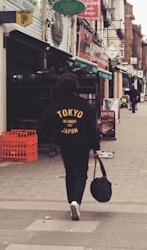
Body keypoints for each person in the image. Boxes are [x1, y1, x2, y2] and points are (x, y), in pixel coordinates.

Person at [40, 72, 101, 221]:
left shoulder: (55, 105)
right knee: (81, 173)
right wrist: (96, 147)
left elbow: (44, 124)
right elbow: (91, 128)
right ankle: (76, 201)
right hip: (82, 144)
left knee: (70, 172)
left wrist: (53, 137)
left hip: (65, 143)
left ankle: (70, 201)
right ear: (76, 86)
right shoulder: (84, 105)